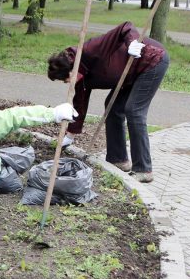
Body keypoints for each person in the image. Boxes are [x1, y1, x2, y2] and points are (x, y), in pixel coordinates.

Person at [46, 21, 168, 183]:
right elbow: (79, 104)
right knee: (113, 108)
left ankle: (143, 169)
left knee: (133, 110)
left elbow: (126, 27)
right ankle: (118, 160)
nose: (67, 82)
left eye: (66, 79)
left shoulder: (91, 50)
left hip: (151, 61)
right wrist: (70, 135)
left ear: (71, 69)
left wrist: (132, 43)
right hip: (130, 74)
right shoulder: (80, 78)